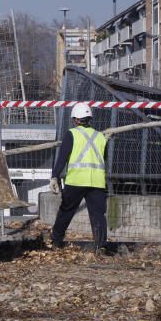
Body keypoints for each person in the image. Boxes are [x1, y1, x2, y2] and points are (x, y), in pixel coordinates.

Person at [49, 102, 111, 252]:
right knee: (98, 216)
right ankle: (100, 246)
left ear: (76, 119)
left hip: (76, 180)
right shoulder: (101, 136)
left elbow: (62, 158)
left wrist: (54, 176)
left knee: (66, 211)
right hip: (96, 182)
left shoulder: (72, 134)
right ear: (89, 119)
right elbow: (104, 159)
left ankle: (56, 241)